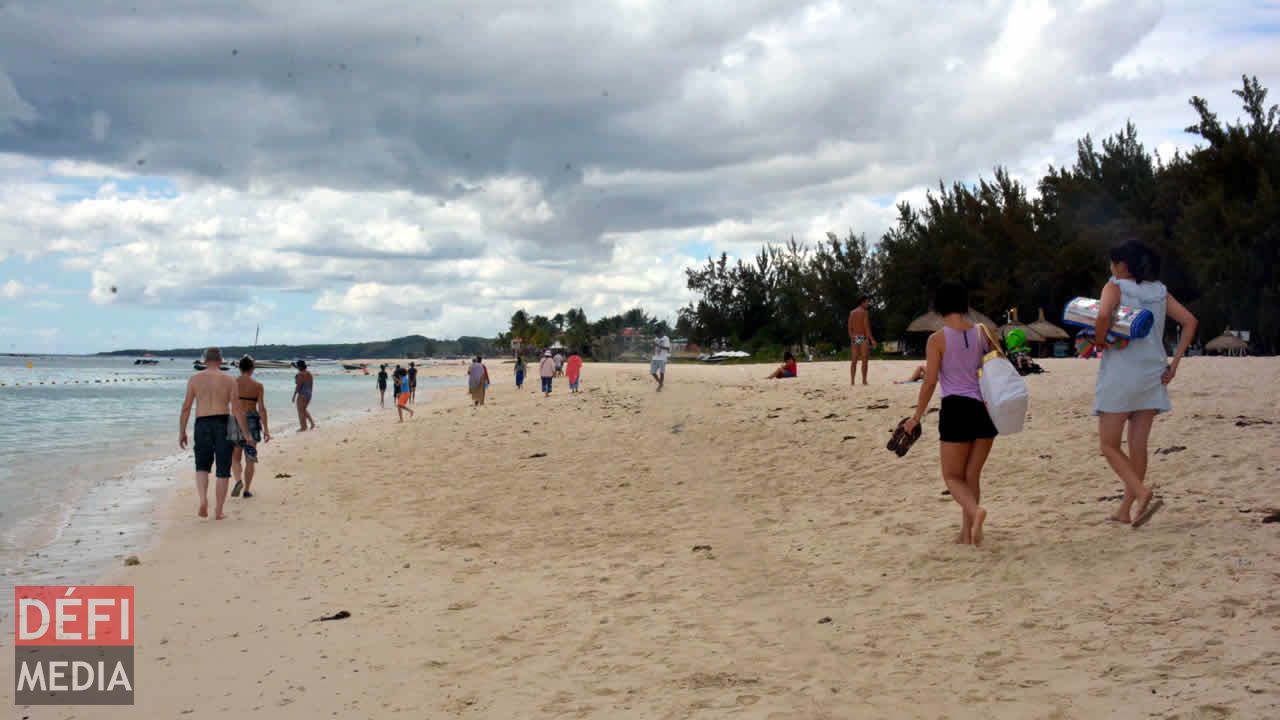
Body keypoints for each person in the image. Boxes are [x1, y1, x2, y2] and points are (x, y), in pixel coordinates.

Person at [1093, 240, 1197, 527]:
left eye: (1112, 262)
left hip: (1121, 374)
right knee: (1138, 445)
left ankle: (1140, 492)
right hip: (1153, 373)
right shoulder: (1159, 291)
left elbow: (1102, 316)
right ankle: (1125, 509)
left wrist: (1099, 342)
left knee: (1109, 444)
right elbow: (1190, 321)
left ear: (1122, 265)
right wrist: (1174, 364)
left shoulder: (1114, 286)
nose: (1110, 267)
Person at [903, 282, 997, 546]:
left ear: (939, 306)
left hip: (956, 408)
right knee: (972, 475)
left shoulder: (937, 340)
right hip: (985, 410)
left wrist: (916, 417)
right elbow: (997, 368)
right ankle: (968, 534)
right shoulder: (984, 333)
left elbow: (930, 381)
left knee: (952, 477)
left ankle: (975, 513)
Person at [179, 348, 254, 520]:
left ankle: (203, 500)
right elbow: (237, 409)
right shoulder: (229, 380)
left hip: (202, 423)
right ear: (221, 361)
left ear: (205, 361)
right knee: (223, 468)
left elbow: (186, 407)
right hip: (222, 423)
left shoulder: (194, 379)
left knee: (202, 466)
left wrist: (182, 431)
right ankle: (218, 511)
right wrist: (247, 434)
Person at [229, 355, 270, 499]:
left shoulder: (232, 382)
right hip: (252, 420)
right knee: (250, 458)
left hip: (235, 420)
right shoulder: (258, 386)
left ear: (239, 368)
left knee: (235, 457)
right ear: (252, 369)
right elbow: (262, 409)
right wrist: (266, 429)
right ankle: (246, 490)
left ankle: (238, 480)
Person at [848, 295, 877, 386]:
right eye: (867, 302)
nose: (868, 304)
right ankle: (864, 380)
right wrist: (872, 339)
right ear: (862, 302)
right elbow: (866, 327)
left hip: (855, 337)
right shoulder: (865, 312)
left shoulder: (852, 312)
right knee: (865, 360)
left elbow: (849, 327)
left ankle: (852, 381)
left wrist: (851, 337)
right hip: (863, 337)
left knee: (854, 360)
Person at [292, 361, 317, 431]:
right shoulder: (309, 373)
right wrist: (295, 366)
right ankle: (312, 423)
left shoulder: (300, 375)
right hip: (309, 394)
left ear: (300, 367)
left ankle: (303, 427)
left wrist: (294, 396)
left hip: (302, 394)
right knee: (303, 410)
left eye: (298, 366)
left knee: (300, 411)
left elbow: (298, 386)